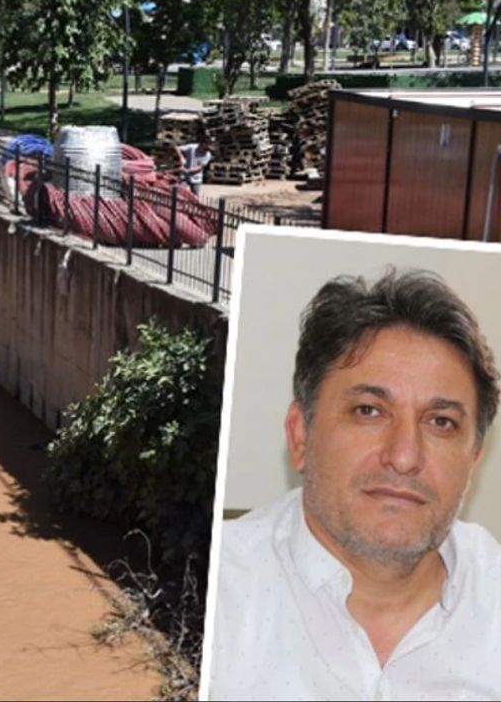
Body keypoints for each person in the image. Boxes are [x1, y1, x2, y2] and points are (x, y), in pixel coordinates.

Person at [207, 269, 501, 700]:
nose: (404, 456)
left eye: (441, 422)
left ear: (473, 459)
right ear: (300, 435)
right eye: (369, 411)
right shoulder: (220, 595)